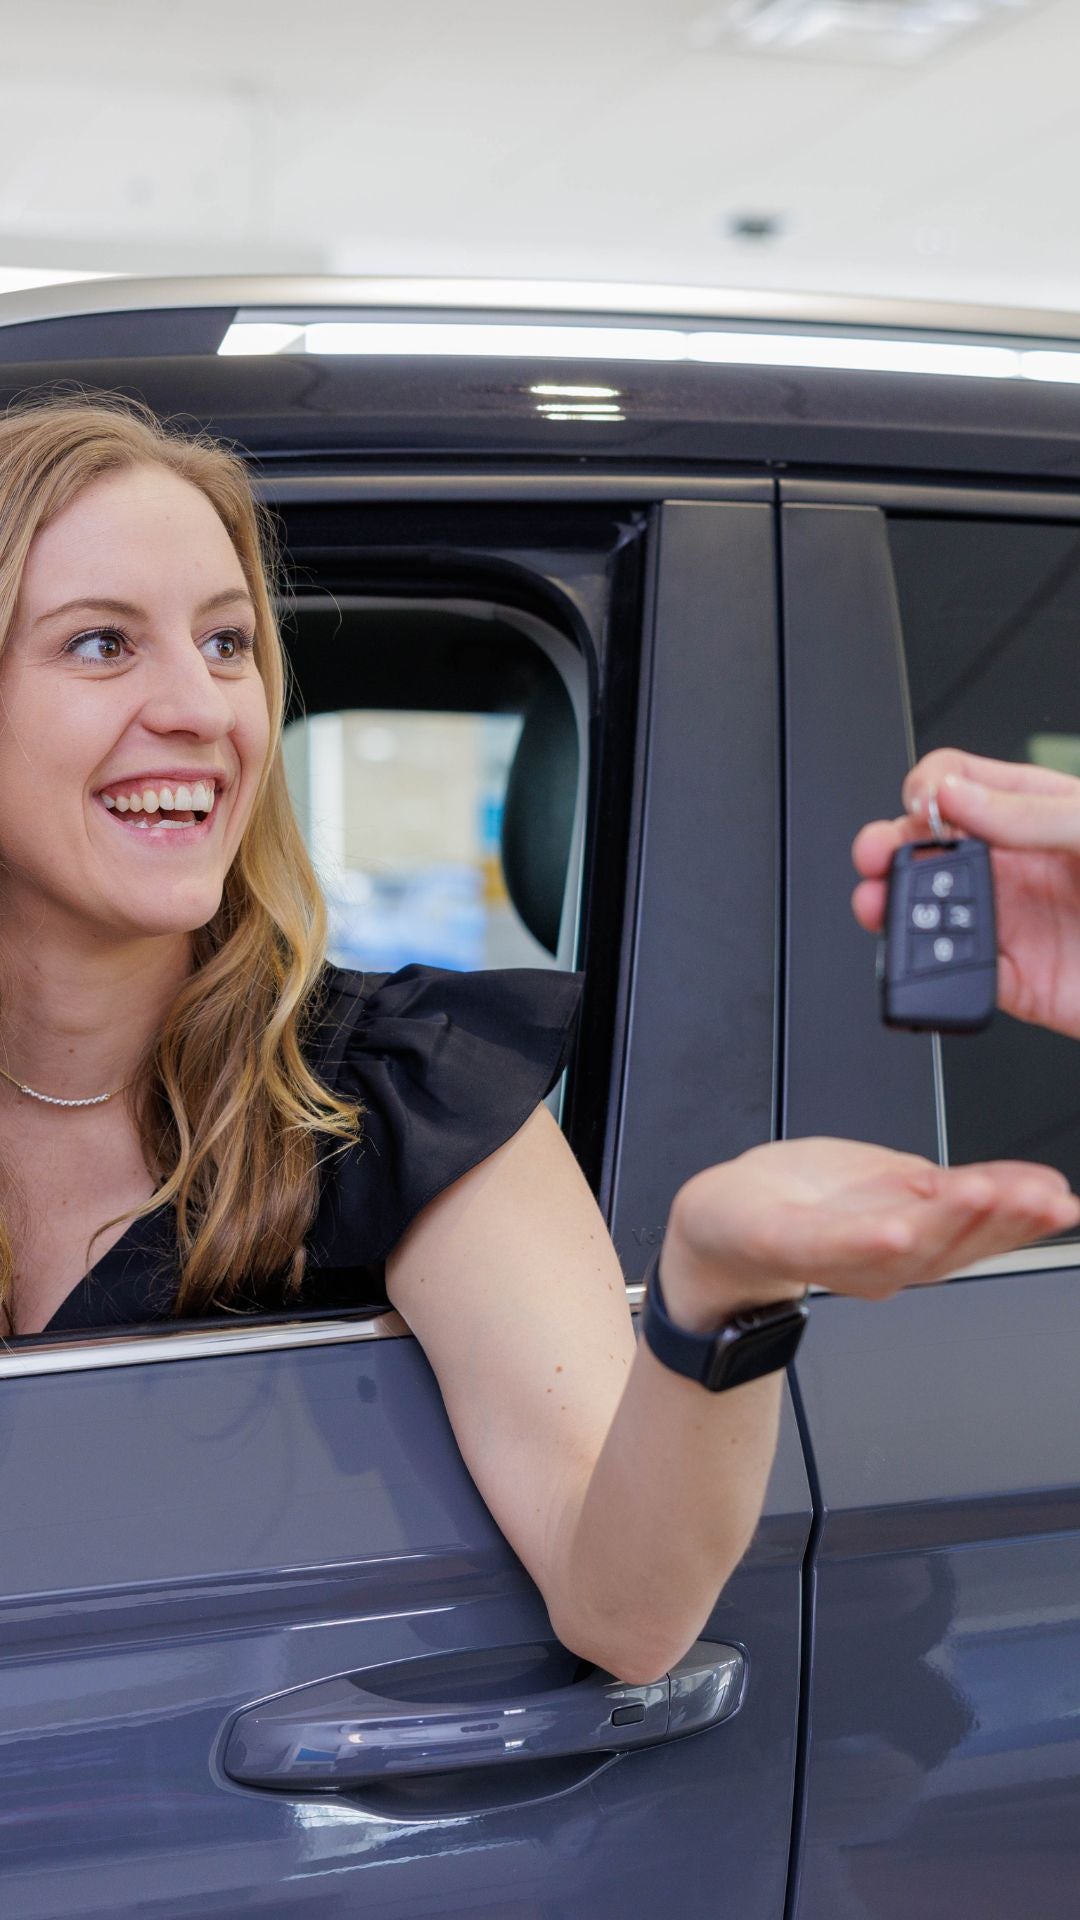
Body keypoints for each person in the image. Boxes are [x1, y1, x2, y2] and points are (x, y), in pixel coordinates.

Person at [1, 395, 1075, 1694]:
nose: (201, 705)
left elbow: (627, 1609)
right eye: (104, 643)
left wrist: (714, 1285)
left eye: (228, 643)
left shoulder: (390, 1093)